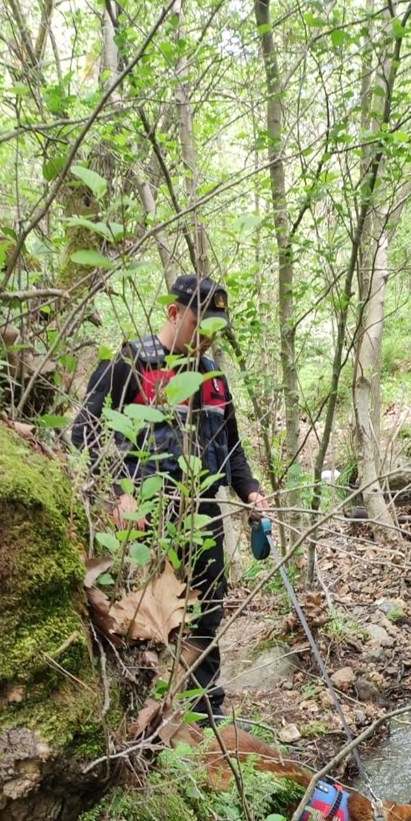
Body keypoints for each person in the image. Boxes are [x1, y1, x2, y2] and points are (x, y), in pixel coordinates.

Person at [71, 274, 270, 718]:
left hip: (203, 514)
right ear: (174, 313)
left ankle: (204, 714)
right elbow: (83, 431)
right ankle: (139, 715)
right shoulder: (131, 363)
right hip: (147, 518)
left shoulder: (214, 377)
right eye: (201, 325)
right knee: (145, 622)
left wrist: (251, 491)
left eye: (215, 328)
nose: (207, 338)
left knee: (206, 613)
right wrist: (120, 493)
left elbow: (232, 446)